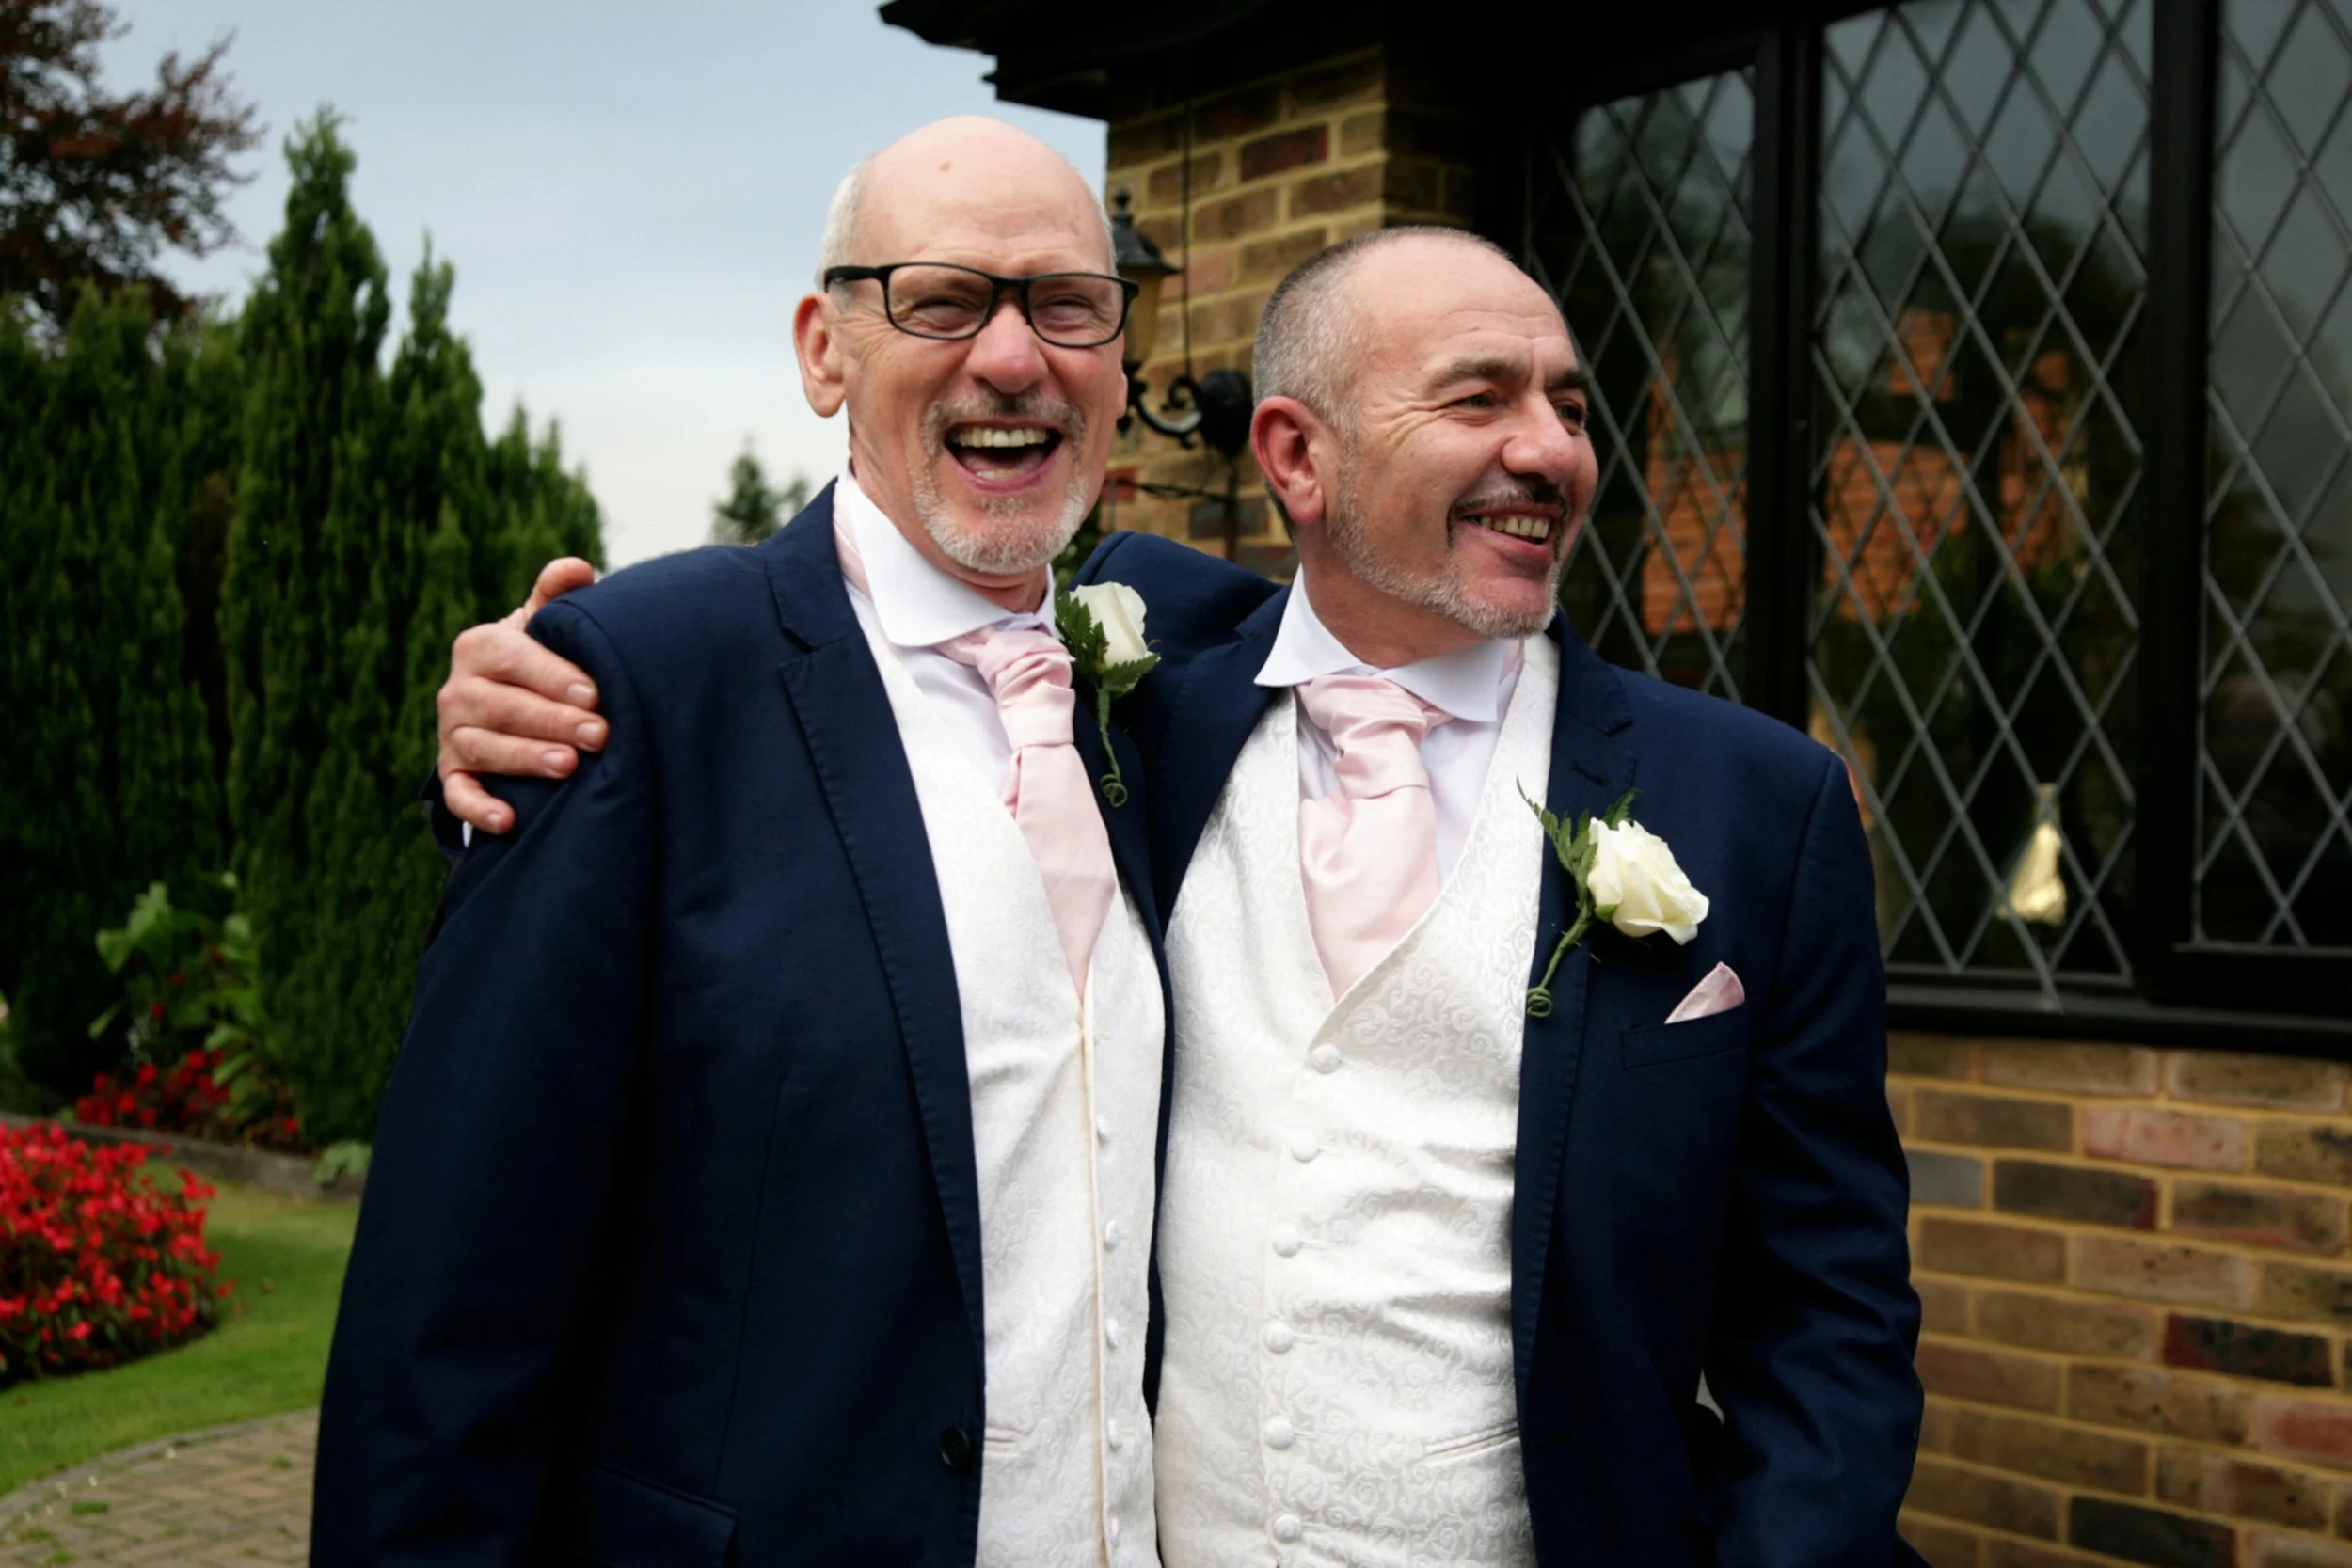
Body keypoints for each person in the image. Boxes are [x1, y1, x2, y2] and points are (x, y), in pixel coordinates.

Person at [437, 230, 1926, 1563]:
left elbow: (1829, 1318)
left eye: (1572, 406)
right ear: (1294, 454)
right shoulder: (1133, 717)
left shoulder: (1752, 805)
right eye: (1479, 400)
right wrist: (541, 703)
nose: (1550, 452)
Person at [313, 117, 1172, 1566]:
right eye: (943, 299)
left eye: (1066, 305)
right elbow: (451, 1310)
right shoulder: (627, 681)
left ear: (1122, 360)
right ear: (823, 349)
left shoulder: (1176, 685)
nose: (1015, 358)